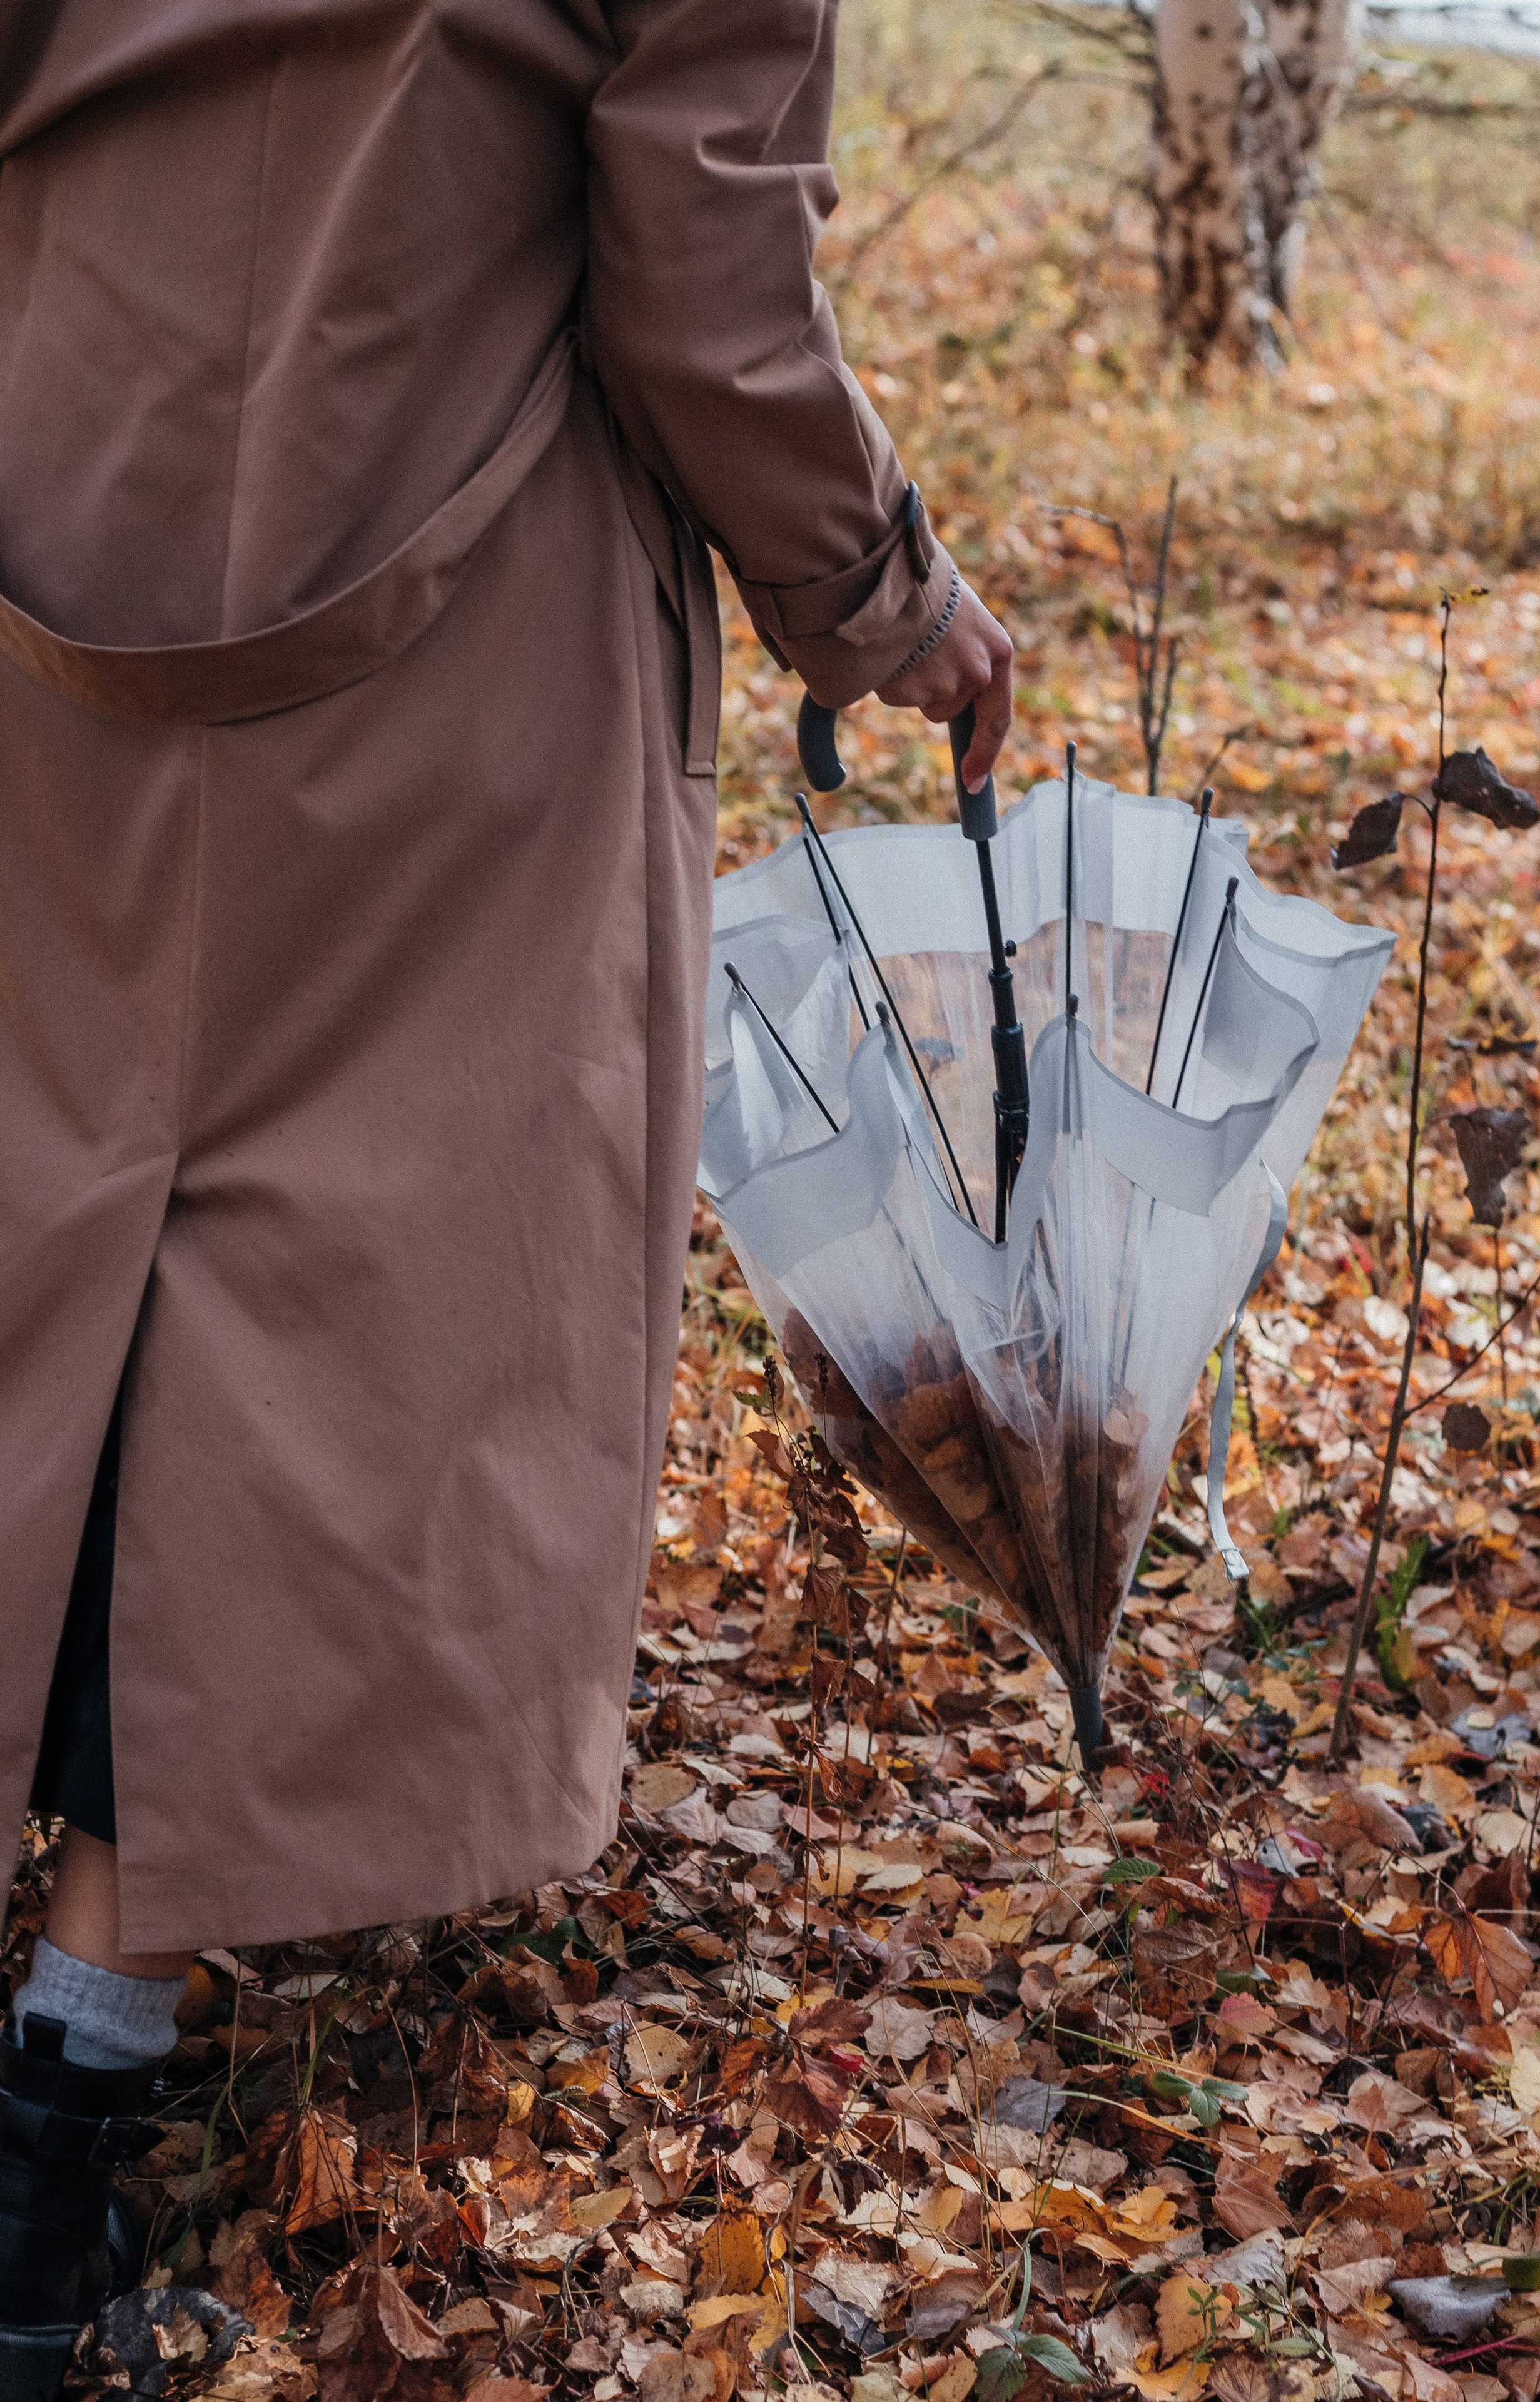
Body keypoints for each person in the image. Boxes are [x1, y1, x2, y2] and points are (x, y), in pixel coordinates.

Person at [0, 3, 1012, 2380]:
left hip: (63, 506)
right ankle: (55, 2127)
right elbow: (702, 270)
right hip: (437, 611)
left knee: (63, 1225)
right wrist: (891, 588)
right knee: (314, 1301)